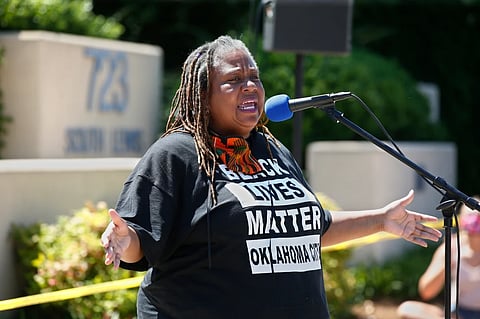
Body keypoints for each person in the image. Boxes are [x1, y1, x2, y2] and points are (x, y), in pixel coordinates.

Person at [100, 35, 442, 319]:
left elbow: (309, 230)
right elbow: (141, 245)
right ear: (204, 97)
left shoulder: (271, 149)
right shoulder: (177, 154)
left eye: (254, 77)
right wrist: (124, 239)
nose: (249, 86)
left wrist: (380, 220)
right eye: (233, 80)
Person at [397, 198, 480, 319]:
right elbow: (426, 292)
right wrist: (447, 263)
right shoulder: (452, 247)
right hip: (458, 313)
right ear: (461, 222)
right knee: (407, 309)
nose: (474, 228)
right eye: (471, 221)